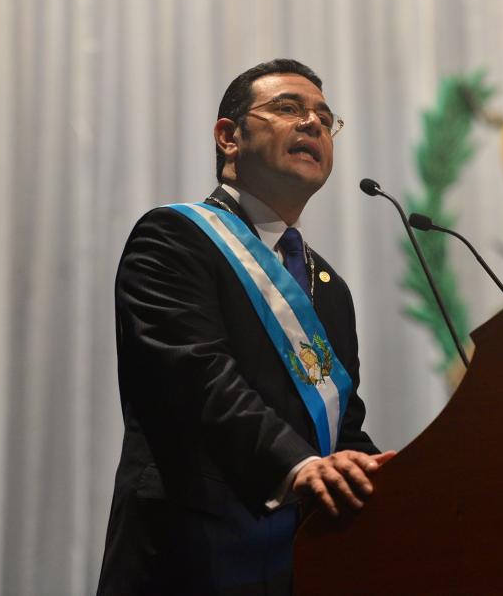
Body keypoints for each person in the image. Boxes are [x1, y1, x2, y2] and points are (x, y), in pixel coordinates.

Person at [97, 59, 393, 595]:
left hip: (299, 566)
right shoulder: (173, 238)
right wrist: (298, 465)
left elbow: (340, 425)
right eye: (288, 108)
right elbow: (196, 376)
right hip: (188, 555)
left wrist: (391, 483)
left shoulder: (330, 289)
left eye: (325, 119)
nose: (313, 125)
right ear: (228, 137)